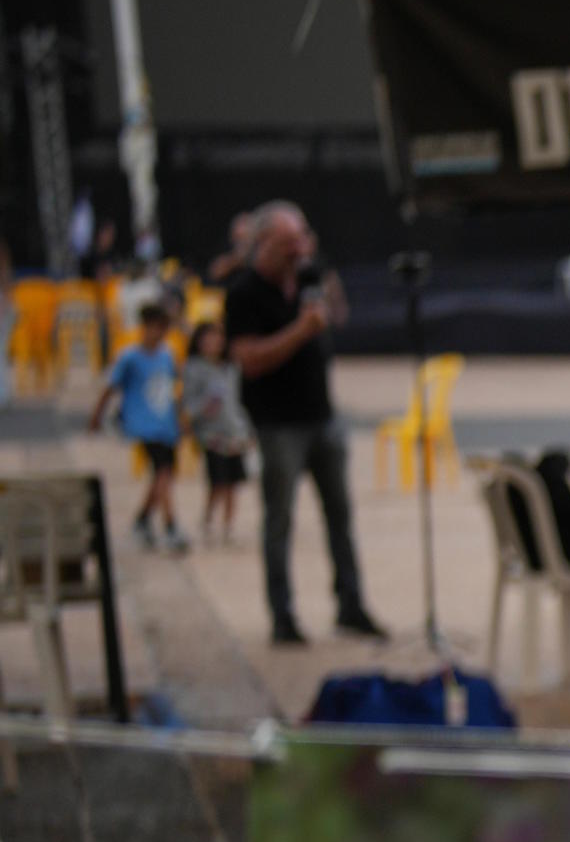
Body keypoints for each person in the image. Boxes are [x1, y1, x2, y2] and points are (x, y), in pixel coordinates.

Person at [226, 200, 384, 646]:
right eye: (287, 245)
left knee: (341, 517)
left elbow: (338, 316)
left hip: (323, 418)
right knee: (280, 523)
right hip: (279, 426)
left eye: (302, 241)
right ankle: (283, 616)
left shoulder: (310, 280)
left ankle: (350, 605)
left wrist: (321, 283)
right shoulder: (244, 293)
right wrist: (300, 330)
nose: (297, 252)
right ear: (262, 245)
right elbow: (249, 360)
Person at [91, 301, 186, 552]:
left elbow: (172, 389)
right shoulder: (130, 356)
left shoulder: (167, 355)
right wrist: (97, 417)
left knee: (163, 475)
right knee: (163, 472)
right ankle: (171, 525)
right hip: (144, 424)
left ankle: (143, 519)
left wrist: (181, 418)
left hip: (165, 423)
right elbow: (110, 388)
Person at [181, 316, 253, 546]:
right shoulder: (193, 369)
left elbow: (239, 401)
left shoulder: (231, 368)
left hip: (234, 432)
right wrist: (202, 410)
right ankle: (209, 520)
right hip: (211, 435)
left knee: (233, 482)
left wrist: (247, 430)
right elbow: (188, 403)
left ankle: (228, 525)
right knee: (217, 482)